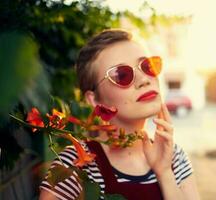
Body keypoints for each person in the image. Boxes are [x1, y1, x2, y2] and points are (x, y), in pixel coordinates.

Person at [39, 29, 200, 200]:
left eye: (147, 66)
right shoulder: (75, 165)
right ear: (94, 100)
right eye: (122, 75)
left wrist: (165, 172)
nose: (144, 80)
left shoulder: (173, 156)